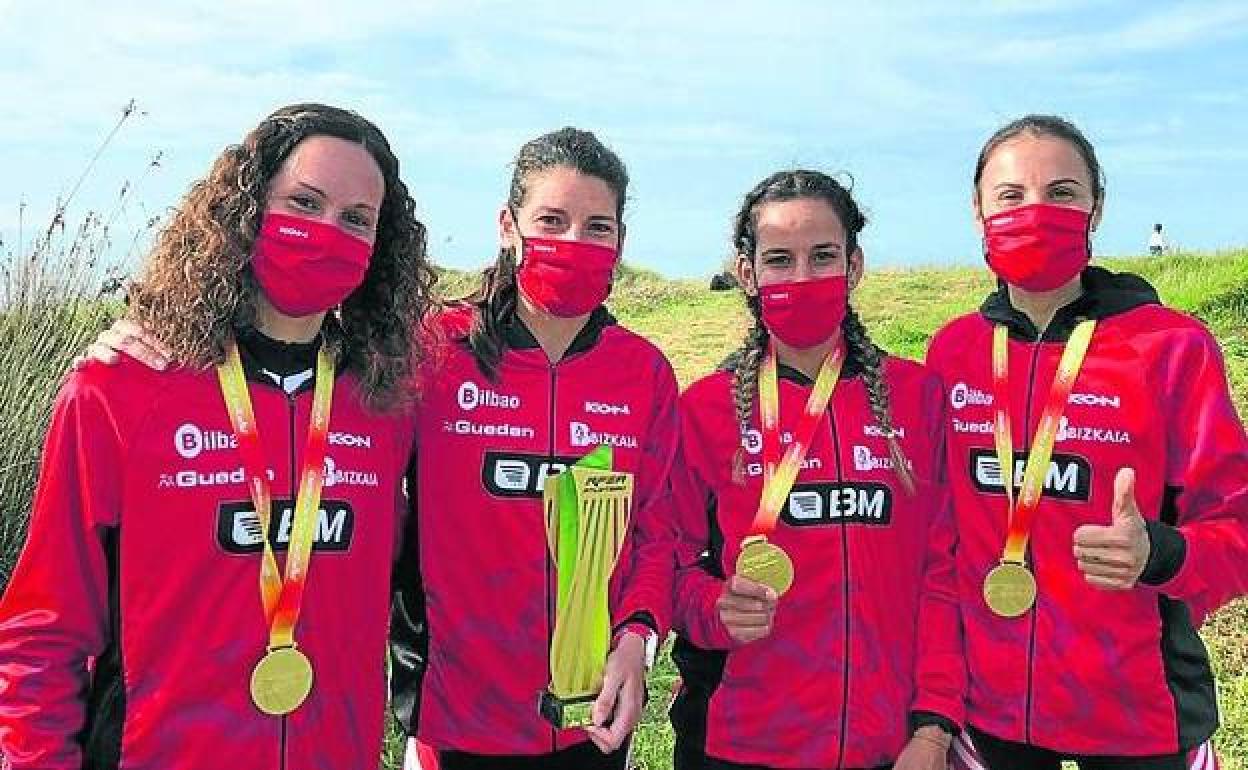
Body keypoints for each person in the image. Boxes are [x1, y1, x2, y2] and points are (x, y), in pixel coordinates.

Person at [0, 104, 437, 769]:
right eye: (304, 203)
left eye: (356, 220)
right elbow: (44, 628)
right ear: (248, 210)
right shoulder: (121, 389)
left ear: (381, 248)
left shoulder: (386, 403)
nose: (327, 232)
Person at [928, 114, 1248, 770]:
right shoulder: (952, 352)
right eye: (1011, 196)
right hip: (991, 715)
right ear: (977, 211)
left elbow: (1238, 525)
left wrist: (1161, 552)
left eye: (1063, 193)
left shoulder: (1172, 348)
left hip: (1140, 716)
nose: (1036, 212)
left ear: (1095, 209)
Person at [385, 126, 679, 769]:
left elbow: (660, 530)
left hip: (589, 719)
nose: (573, 242)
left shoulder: (644, 374)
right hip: (456, 719)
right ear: (508, 226)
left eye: (597, 227)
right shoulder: (434, 352)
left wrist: (637, 635)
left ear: (620, 242)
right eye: (552, 219)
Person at [669, 170, 964, 770]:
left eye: (822, 256)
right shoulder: (704, 408)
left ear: (853, 266)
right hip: (735, 746)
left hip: (891, 746)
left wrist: (933, 726)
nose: (802, 277)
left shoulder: (918, 396)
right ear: (747, 273)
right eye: (780, 259)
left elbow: (944, 572)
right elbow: (664, 564)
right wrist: (711, 605)